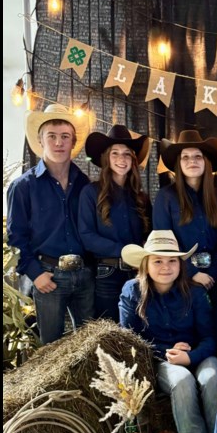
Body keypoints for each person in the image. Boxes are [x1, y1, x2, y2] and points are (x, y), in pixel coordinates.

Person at [119, 230, 217, 433]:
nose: (165, 267)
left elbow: (211, 338)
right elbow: (127, 341)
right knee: (183, 381)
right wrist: (166, 351)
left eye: (172, 261)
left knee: (211, 379)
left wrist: (191, 356)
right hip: (158, 360)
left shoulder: (195, 293)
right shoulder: (132, 292)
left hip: (198, 354)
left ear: (180, 264)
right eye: (158, 261)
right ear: (146, 263)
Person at [6, 103, 94, 344]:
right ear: (40, 140)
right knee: (48, 348)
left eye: (65, 137)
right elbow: (16, 238)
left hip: (84, 276)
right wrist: (35, 274)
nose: (58, 142)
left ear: (73, 142)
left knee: (89, 347)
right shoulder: (23, 186)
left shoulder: (85, 184)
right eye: (52, 136)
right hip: (48, 276)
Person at [77, 125, 151, 322]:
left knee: (139, 329)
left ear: (133, 161)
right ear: (106, 159)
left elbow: (148, 234)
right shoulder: (91, 193)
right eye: (115, 153)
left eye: (127, 154)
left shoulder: (141, 197)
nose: (121, 159)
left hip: (138, 273)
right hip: (107, 273)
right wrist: (125, 250)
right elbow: (87, 236)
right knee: (109, 333)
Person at [153, 130, 217, 302]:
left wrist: (212, 273)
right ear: (179, 163)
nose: (192, 161)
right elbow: (163, 242)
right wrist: (192, 272)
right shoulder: (165, 197)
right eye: (186, 157)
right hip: (181, 278)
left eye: (198, 156)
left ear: (206, 161)